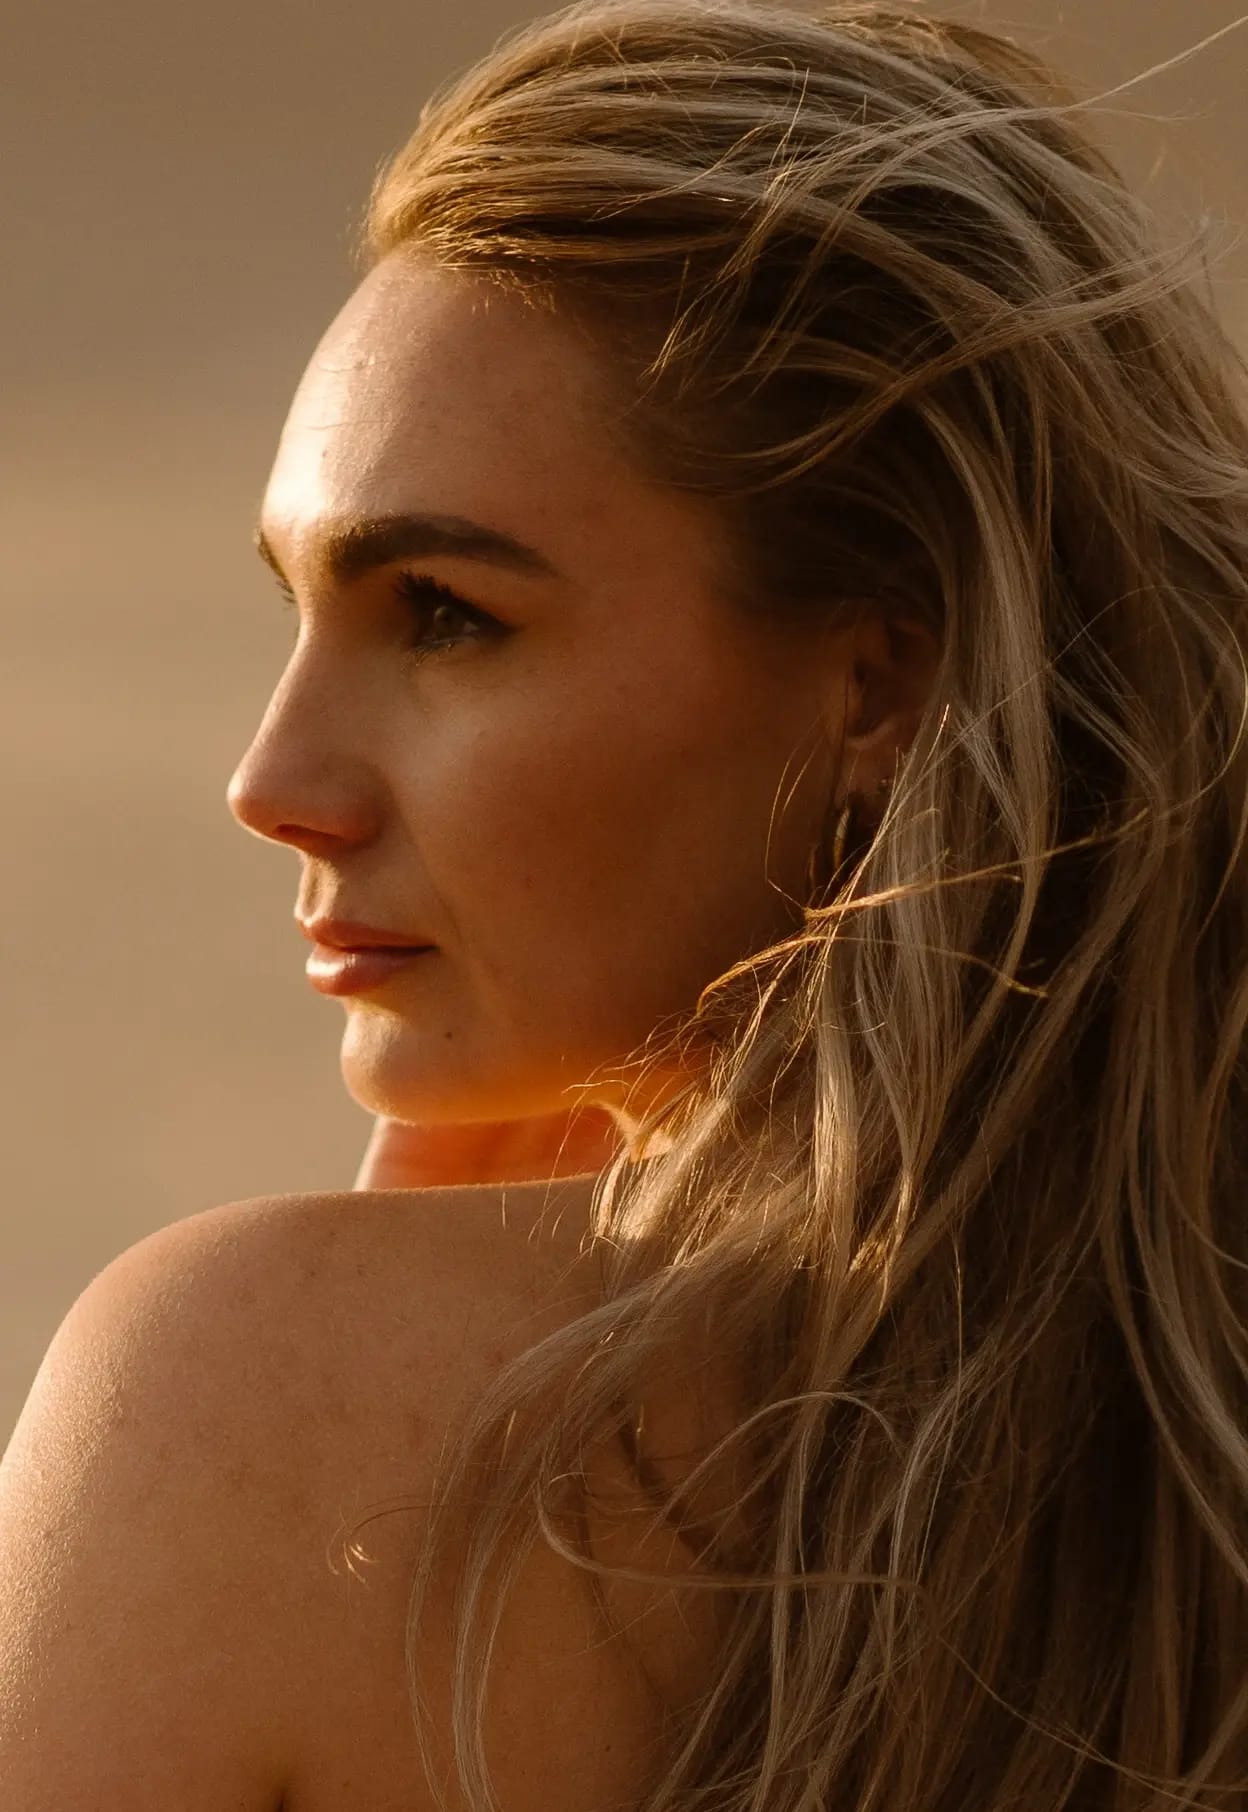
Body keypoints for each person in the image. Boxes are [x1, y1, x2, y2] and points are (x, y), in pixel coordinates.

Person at [2, 0, 1245, 1806]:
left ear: (879, 682)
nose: (273, 784)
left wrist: (355, 1331)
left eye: (443, 615)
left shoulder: (259, 1416)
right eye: (300, 613)